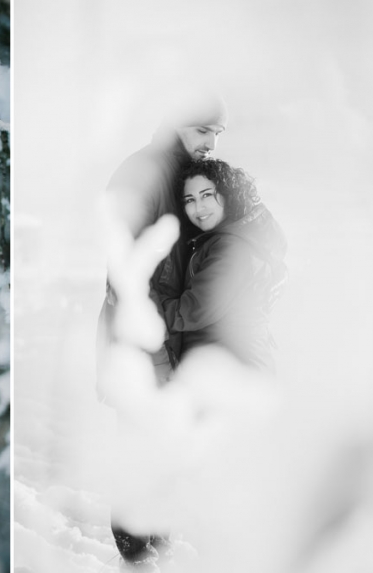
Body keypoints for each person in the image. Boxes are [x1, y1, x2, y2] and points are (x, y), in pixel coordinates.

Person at [96, 92, 227, 570]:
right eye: (202, 131)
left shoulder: (189, 176)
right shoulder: (144, 173)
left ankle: (157, 548)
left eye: (217, 133)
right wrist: (153, 345)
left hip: (176, 337)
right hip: (142, 339)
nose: (211, 142)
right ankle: (135, 556)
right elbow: (123, 273)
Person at [157, 158, 287, 372]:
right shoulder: (232, 238)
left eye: (207, 195)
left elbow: (190, 312)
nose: (198, 208)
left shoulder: (231, 248)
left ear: (228, 194)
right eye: (189, 200)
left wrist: (143, 301)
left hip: (235, 373)